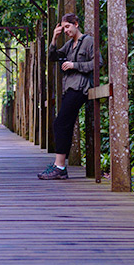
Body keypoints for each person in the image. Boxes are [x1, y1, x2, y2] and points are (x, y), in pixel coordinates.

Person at [38, 13, 103, 180]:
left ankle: (60, 167)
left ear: (76, 24)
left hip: (80, 88)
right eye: (63, 27)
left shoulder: (87, 41)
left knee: (60, 124)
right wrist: (54, 38)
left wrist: (75, 65)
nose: (66, 30)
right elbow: (53, 57)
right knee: (62, 124)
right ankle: (59, 166)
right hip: (69, 88)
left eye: (68, 26)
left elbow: (98, 63)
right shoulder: (69, 45)